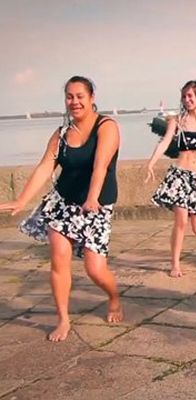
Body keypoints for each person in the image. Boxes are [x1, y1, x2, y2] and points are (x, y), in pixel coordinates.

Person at [0, 76, 123, 342]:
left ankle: (113, 297)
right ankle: (63, 319)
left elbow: (100, 166)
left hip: (96, 205)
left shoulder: (107, 126)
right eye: (69, 96)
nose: (74, 101)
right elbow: (45, 166)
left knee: (94, 268)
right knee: (58, 259)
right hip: (63, 202)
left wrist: (92, 198)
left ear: (91, 98)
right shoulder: (62, 133)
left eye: (80, 96)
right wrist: (21, 200)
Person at [145, 80, 196, 277]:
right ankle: (175, 264)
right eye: (184, 96)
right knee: (180, 221)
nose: (187, 100)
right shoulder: (177, 120)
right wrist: (151, 162)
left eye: (191, 96)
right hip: (179, 175)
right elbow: (164, 142)